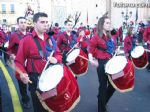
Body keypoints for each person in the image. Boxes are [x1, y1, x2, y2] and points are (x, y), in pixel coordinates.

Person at [15, 12, 62, 112]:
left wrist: (56, 59)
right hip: (35, 79)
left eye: (47, 22)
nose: (46, 24)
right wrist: (22, 74)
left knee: (53, 105)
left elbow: (58, 54)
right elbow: (19, 61)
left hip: (51, 77)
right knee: (39, 108)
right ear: (35, 23)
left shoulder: (50, 38)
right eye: (42, 22)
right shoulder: (26, 40)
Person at [88, 15, 115, 112]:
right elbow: (90, 50)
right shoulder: (96, 36)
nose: (109, 24)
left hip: (110, 61)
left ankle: (103, 100)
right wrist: (91, 60)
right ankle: (101, 108)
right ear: (101, 24)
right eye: (107, 23)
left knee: (113, 85)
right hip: (102, 63)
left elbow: (111, 48)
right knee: (103, 85)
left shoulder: (109, 35)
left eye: (109, 23)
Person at [7, 16, 31, 108]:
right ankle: (25, 99)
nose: (23, 24)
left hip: (29, 63)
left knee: (32, 81)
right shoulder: (14, 35)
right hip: (19, 63)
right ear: (18, 24)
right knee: (22, 83)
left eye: (25, 22)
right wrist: (11, 55)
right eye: (21, 22)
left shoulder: (30, 35)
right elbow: (9, 49)